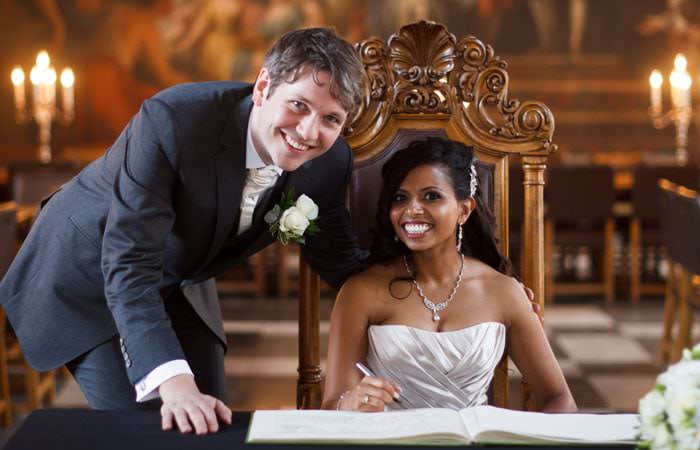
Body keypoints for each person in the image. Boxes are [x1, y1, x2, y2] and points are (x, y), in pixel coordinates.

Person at [0, 27, 365, 435]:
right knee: (155, 426)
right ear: (263, 87)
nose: (309, 132)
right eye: (298, 105)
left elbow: (341, 263)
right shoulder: (174, 121)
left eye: (331, 118)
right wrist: (173, 384)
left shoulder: (330, 163)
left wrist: (429, 298)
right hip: (90, 269)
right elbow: (130, 263)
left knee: (212, 421)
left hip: (179, 273)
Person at [322, 138, 577, 413]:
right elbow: (330, 406)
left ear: (464, 210)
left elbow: (559, 397)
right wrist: (348, 403)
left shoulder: (504, 292)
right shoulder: (361, 292)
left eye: (431, 196)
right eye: (400, 197)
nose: (412, 210)